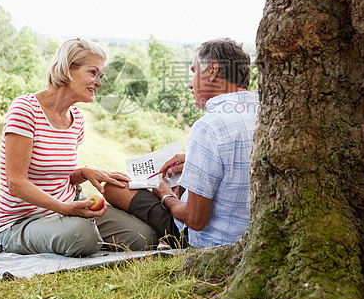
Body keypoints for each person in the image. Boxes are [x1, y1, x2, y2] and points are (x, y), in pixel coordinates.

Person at [0, 38, 158, 256]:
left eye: (101, 76)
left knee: (143, 237)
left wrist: (83, 172)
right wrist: (64, 209)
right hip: (24, 221)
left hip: (70, 208)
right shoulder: (25, 110)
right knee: (84, 237)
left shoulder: (77, 119)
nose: (99, 83)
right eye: (93, 73)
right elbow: (15, 182)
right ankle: (79, 233)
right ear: (67, 69)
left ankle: (79, 231)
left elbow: (54, 174)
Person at [103, 38, 259, 248]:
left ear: (213, 70)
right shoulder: (267, 114)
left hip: (212, 239)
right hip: (249, 232)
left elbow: (196, 220)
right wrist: (193, 160)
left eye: (194, 72)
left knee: (113, 188)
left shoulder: (209, 126)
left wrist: (166, 195)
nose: (190, 83)